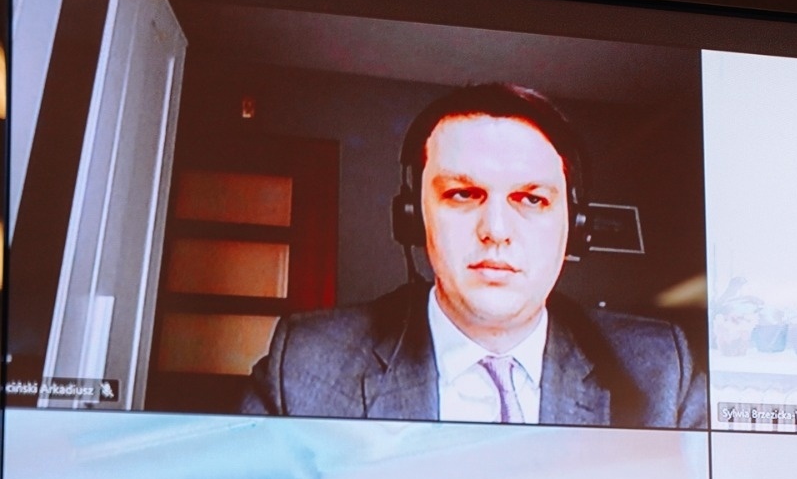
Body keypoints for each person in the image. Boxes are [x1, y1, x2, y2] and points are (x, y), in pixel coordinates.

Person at [240, 83, 706, 429]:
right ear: (413, 216)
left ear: (575, 226)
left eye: (531, 199)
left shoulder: (661, 369)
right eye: (463, 194)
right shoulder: (307, 363)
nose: (496, 231)